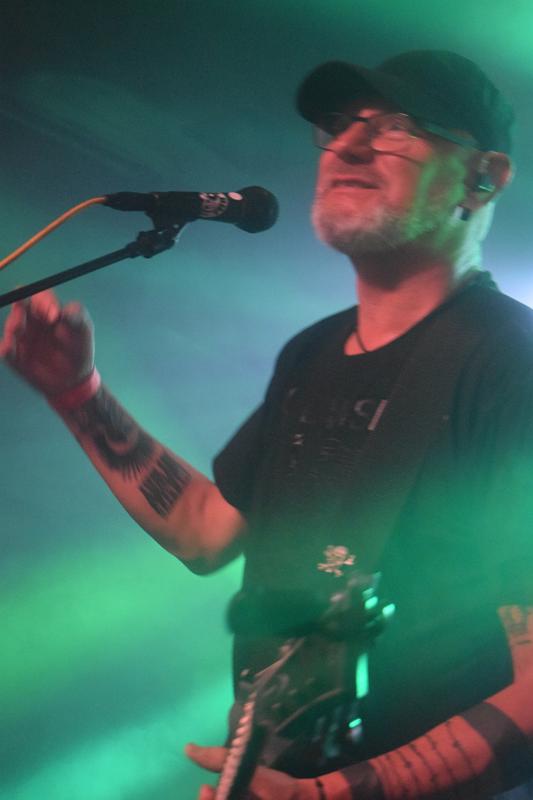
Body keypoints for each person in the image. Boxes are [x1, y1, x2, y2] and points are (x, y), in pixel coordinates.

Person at [1, 49, 533, 800]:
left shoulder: (510, 364)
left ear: (483, 177)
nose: (347, 145)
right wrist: (76, 392)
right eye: (339, 124)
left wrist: (336, 793)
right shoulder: (311, 353)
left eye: (396, 127)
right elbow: (205, 529)